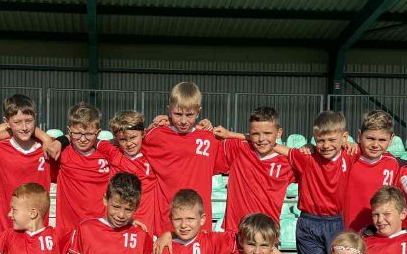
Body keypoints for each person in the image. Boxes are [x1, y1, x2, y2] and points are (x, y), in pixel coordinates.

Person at [46, 102, 127, 254]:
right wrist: (61, 141)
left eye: (89, 134)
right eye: (77, 133)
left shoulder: (107, 155)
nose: (82, 139)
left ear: (97, 132)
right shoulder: (61, 154)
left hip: (97, 241)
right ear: (69, 131)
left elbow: (135, 141)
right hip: (68, 238)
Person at [142, 82, 220, 235]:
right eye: (177, 114)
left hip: (198, 224)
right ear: (169, 110)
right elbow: (128, 141)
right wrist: (153, 125)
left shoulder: (209, 139)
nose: (183, 121)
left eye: (189, 115)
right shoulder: (156, 135)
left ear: (198, 112)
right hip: (167, 224)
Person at [0, 94, 57, 242]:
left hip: (36, 235)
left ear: (35, 119)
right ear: (7, 122)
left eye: (29, 121)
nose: (24, 127)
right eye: (17, 122)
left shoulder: (50, 148)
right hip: (3, 233)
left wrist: (45, 138)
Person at [212, 106, 294, 230]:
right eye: (255, 134)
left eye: (267, 133)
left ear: (279, 133)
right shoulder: (239, 149)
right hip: (236, 231)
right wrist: (208, 128)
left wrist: (310, 147)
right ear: (250, 133)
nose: (261, 139)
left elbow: (313, 161)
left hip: (267, 234)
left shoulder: (288, 162)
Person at [288, 110, 351, 254]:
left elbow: (374, 145)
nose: (326, 145)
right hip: (309, 222)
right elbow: (272, 146)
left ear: (344, 137)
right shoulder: (307, 157)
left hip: (337, 222)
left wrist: (352, 144)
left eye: (332, 140)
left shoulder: (351, 154)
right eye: (320, 140)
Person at [343, 110, 402, 232]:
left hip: (379, 233)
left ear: (391, 139)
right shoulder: (347, 156)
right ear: (360, 135)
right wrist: (310, 147)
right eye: (370, 138)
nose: (375, 144)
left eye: (382, 140)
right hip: (348, 233)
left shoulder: (392, 163)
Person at [108, 110, 159, 232]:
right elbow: (91, 139)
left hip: (145, 226)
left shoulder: (152, 156)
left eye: (133, 137)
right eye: (123, 139)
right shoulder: (113, 154)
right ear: (116, 139)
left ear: (143, 133)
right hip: (118, 223)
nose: (129, 143)